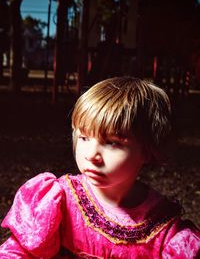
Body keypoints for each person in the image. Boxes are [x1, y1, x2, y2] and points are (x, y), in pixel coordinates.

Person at [0, 76, 199, 258]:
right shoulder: (57, 201)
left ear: (147, 150)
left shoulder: (165, 230)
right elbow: (17, 252)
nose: (91, 155)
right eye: (84, 137)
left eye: (112, 142)